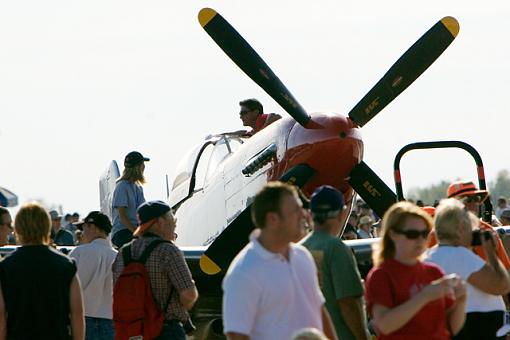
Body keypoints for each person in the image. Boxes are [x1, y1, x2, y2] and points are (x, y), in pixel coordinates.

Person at [222, 182, 337, 340]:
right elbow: (237, 336)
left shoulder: (303, 256)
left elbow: (319, 310)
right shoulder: (243, 272)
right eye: (296, 210)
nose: (305, 214)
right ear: (273, 219)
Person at [365, 201, 466, 339]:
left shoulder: (434, 272)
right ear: (393, 234)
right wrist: (425, 296)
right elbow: (384, 325)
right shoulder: (381, 275)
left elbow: (450, 327)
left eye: (425, 233)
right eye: (412, 234)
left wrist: (461, 301)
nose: (420, 239)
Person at [112, 200, 198, 339]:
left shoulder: (123, 253)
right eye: (171, 218)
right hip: (166, 331)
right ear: (160, 222)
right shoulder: (168, 250)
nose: (175, 223)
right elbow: (188, 294)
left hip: (132, 331)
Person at [426, 198, 510, 340]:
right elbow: (501, 286)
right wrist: (491, 253)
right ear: (460, 229)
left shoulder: (428, 256)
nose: (473, 231)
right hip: (478, 326)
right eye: (470, 226)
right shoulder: (459, 255)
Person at [0, 202, 84, 339]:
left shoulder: (6, 267)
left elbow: (1, 317)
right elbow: (77, 315)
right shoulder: (66, 266)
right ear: (47, 227)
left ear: (19, 229)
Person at [302, 185, 369, 340]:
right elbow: (347, 302)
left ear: (311, 214)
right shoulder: (335, 248)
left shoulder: (298, 250)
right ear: (341, 213)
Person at [69, 211, 117, 340]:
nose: (82, 233)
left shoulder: (79, 252)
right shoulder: (118, 256)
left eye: (84, 228)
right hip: (110, 322)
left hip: (83, 321)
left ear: (93, 227)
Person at [442, 180, 510, 268]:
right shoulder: (439, 234)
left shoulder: (487, 231)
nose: (474, 204)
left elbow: (506, 270)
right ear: (452, 205)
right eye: (468, 200)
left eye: (477, 199)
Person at [111, 151, 149, 248]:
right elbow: (123, 217)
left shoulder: (138, 188)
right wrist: (138, 233)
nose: (144, 167)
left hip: (133, 230)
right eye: (142, 164)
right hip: (123, 232)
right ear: (139, 167)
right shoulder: (122, 186)